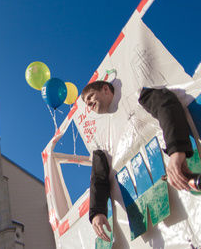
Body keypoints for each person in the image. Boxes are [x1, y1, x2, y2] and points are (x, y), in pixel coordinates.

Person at [81, 80, 194, 242]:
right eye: (86, 103)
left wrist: (176, 151)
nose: (89, 104)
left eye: (91, 97)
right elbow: (98, 177)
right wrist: (97, 212)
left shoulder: (137, 93)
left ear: (106, 89)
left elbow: (166, 106)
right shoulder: (100, 140)